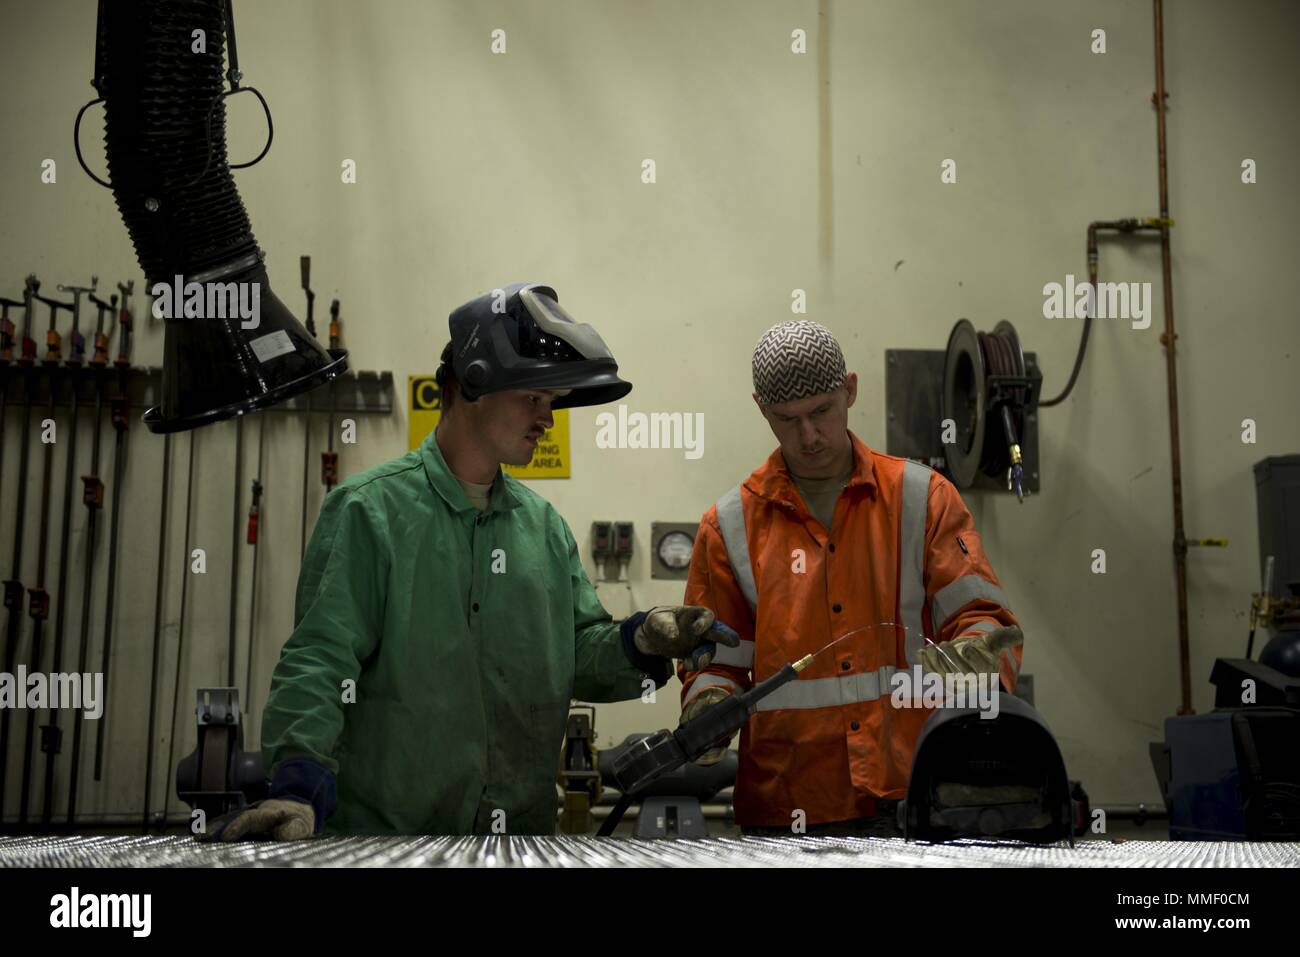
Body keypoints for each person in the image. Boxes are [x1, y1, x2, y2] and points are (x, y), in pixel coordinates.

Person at [206, 283, 735, 840]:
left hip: (519, 843)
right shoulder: (369, 513)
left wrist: (640, 641)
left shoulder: (545, 530)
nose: (547, 420)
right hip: (387, 845)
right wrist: (297, 787)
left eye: (551, 403)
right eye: (533, 399)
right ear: (473, 385)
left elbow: (573, 652)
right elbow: (320, 659)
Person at [678, 319, 1023, 836]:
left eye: (821, 411)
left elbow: (983, 619)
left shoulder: (922, 498)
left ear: (851, 390)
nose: (809, 435)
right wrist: (707, 703)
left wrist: (977, 663)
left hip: (913, 792)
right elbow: (716, 661)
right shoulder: (729, 525)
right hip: (787, 806)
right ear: (760, 408)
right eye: (787, 419)